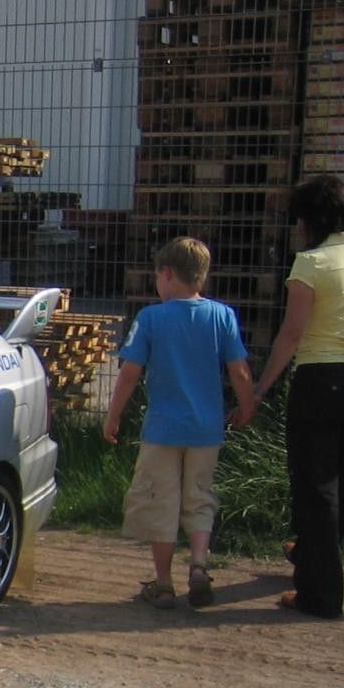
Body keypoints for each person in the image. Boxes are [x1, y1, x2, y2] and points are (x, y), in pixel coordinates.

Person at [104, 237, 258, 609]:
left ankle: (163, 584)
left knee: (161, 501)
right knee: (200, 496)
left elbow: (129, 374)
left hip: (163, 429)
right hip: (206, 429)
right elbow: (238, 371)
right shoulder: (222, 316)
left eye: (157, 276)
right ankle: (200, 565)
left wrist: (113, 415)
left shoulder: (151, 318)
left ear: (168, 274)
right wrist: (247, 407)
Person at [254, 175, 344, 618]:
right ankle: (314, 558)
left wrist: (261, 388)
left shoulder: (311, 264)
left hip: (319, 380)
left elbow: (291, 335)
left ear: (311, 220)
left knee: (314, 486)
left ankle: (319, 594)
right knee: (342, 478)